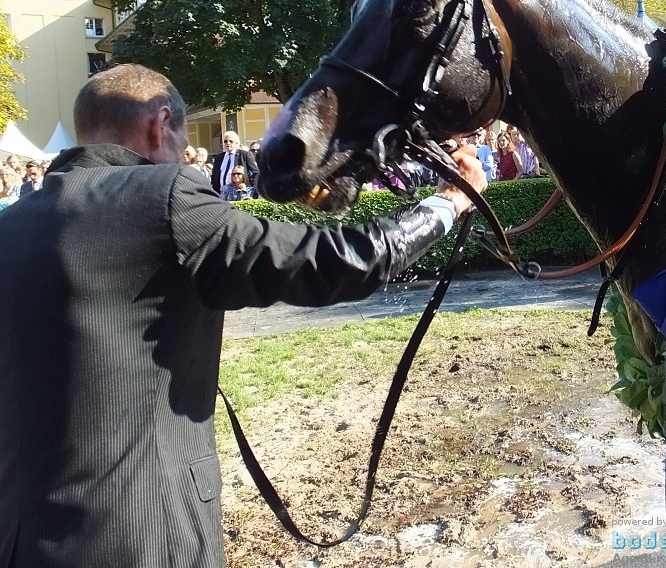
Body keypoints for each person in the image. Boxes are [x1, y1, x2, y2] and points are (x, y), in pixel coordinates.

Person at [0, 63, 485, 568]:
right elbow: (336, 262)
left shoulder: (10, 225)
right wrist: (449, 202)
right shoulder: (165, 197)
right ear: (159, 124)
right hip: (143, 536)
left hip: (19, 538)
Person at [210, 131, 258, 196]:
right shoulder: (219, 158)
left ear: (237, 143)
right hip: (221, 194)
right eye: (225, 141)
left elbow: (256, 173)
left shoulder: (244, 155)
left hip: (238, 193)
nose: (228, 143)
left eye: (231, 141)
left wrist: (250, 188)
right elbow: (214, 176)